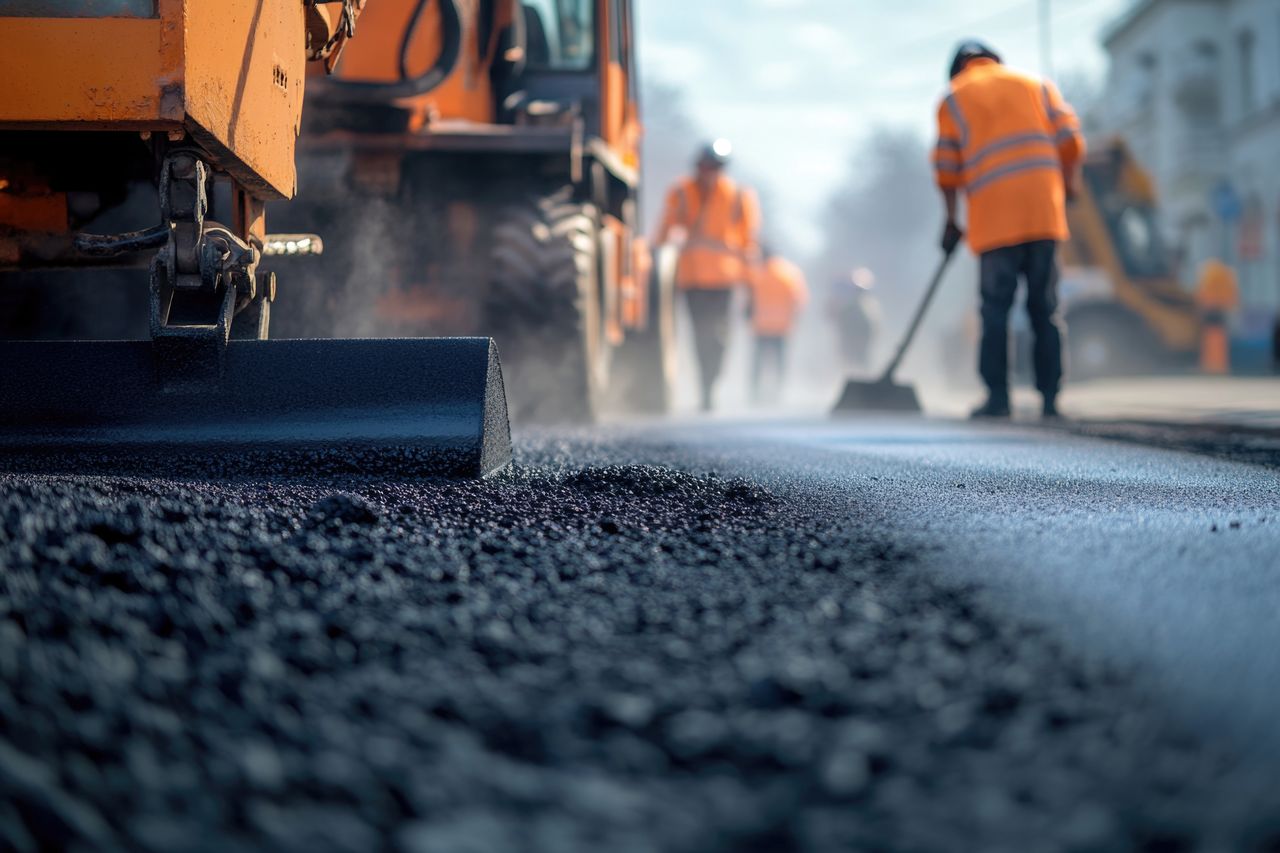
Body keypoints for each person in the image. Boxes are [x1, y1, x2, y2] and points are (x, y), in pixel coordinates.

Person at [933, 41, 1085, 419]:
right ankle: (1051, 399)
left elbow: (947, 168)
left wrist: (952, 219)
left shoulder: (953, 98)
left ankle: (998, 399)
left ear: (958, 69)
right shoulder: (1037, 84)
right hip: (1043, 214)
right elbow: (1071, 142)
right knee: (1044, 308)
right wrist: (1069, 185)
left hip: (994, 220)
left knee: (995, 310)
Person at [655, 140, 761, 411]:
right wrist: (654, 271)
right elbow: (664, 230)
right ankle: (705, 389)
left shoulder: (739, 196)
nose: (710, 172)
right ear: (697, 166)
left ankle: (711, 383)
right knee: (698, 335)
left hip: (725, 279)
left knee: (719, 337)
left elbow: (749, 245)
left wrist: (752, 291)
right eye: (705, 166)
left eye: (715, 167)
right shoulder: (681, 191)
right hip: (691, 278)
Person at [748, 248, 809, 404]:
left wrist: (748, 317)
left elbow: (749, 301)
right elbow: (799, 300)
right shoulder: (790, 272)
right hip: (783, 327)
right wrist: (794, 319)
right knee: (780, 363)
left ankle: (755, 394)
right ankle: (778, 393)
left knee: (759, 363)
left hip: (761, 326)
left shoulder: (757, 272)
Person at [828, 267, 881, 375]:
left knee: (859, 370)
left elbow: (873, 329)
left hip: (858, 349)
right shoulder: (851, 305)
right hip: (850, 348)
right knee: (850, 370)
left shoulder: (867, 306)